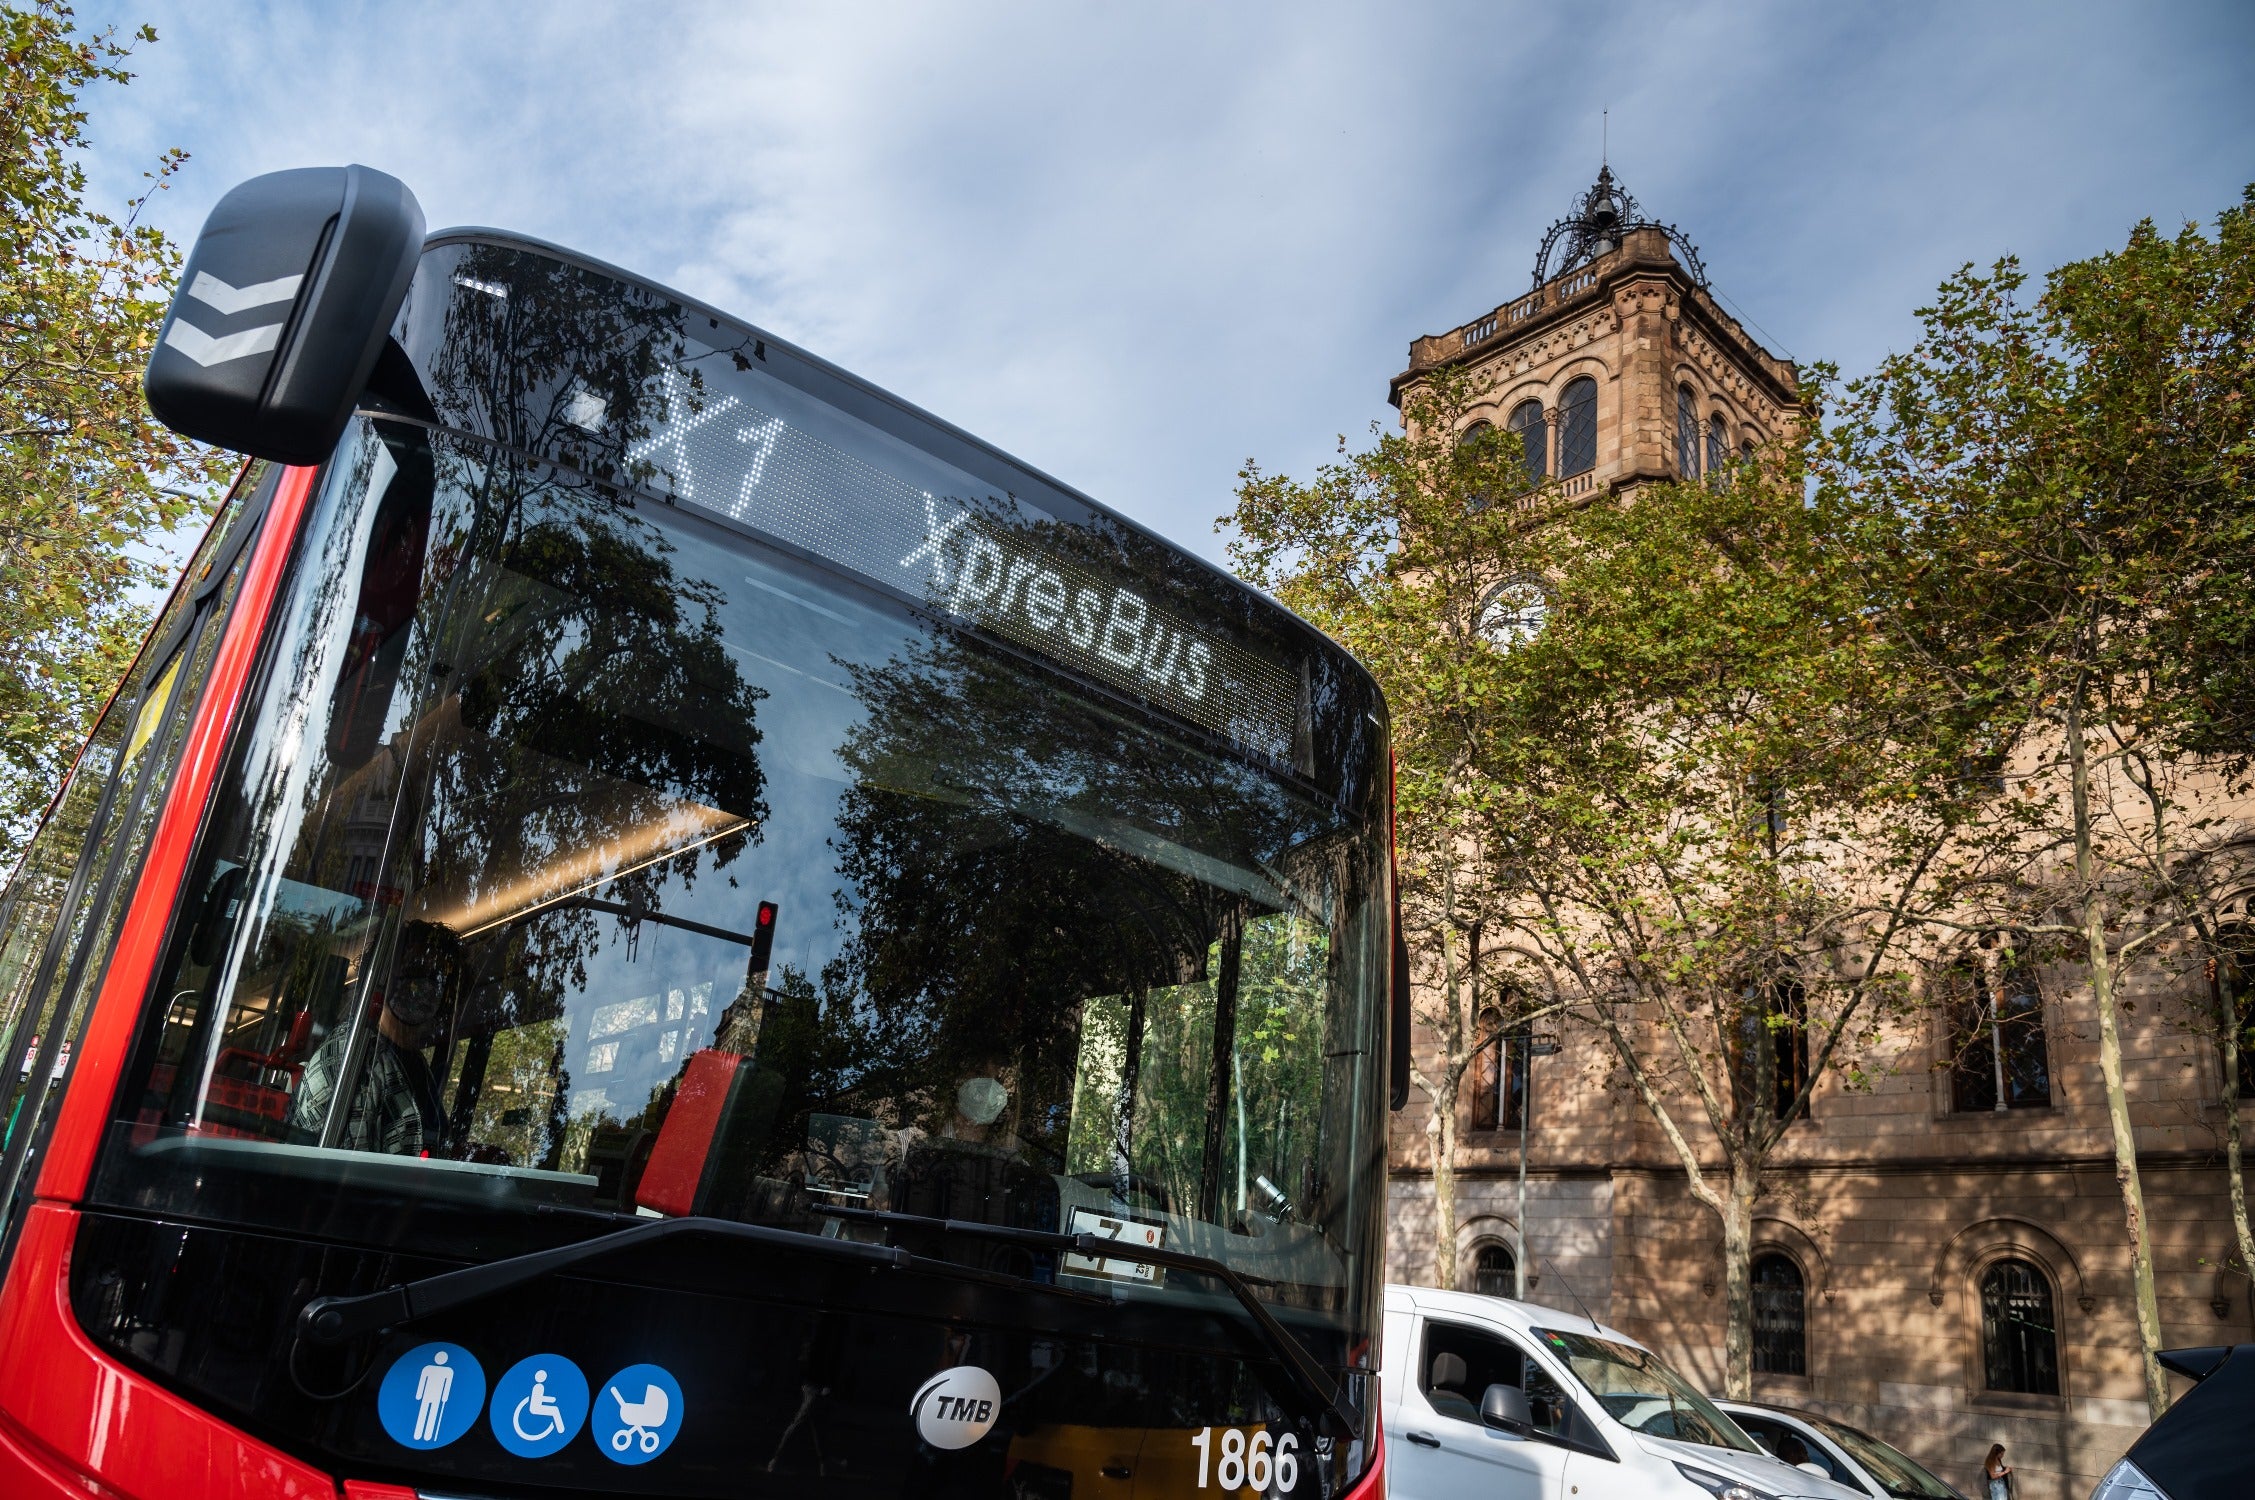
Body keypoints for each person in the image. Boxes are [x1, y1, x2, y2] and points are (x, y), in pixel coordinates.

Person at [288, 921, 454, 1154]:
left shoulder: (413, 1062)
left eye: (435, 978)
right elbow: (341, 1172)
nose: (422, 988)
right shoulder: (350, 1056)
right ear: (383, 976)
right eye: (413, 972)